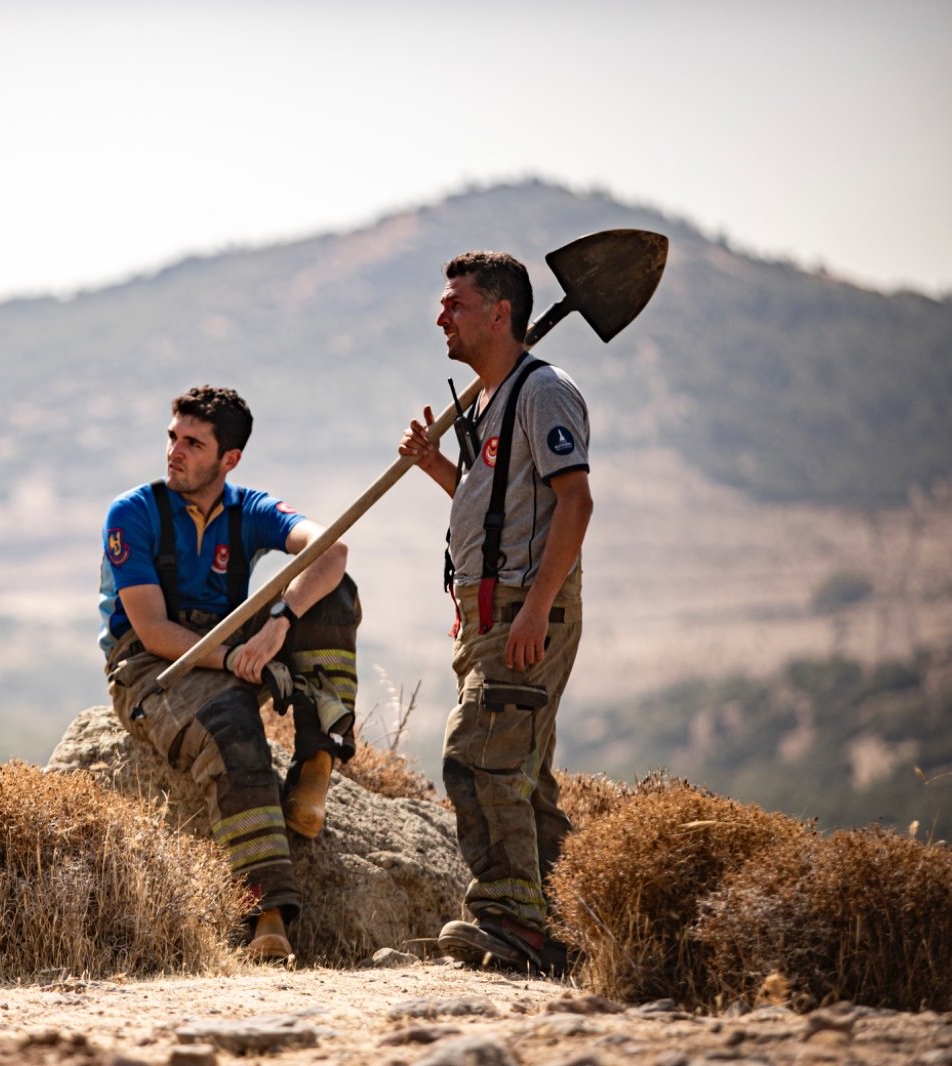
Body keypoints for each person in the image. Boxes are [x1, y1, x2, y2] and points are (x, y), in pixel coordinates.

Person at [100, 384, 361, 960]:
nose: (175, 451)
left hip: (232, 641)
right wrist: (236, 662)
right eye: (173, 437)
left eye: (193, 443)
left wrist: (279, 626)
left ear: (230, 459)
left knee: (333, 593)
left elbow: (332, 550)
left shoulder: (250, 509)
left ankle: (316, 765)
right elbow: (152, 631)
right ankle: (268, 916)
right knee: (232, 726)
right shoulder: (133, 513)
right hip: (151, 667)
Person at [398, 251, 593, 975]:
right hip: (488, 618)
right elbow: (498, 504)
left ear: (500, 312)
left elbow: (576, 502)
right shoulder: (489, 401)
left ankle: (509, 919)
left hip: (522, 612)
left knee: (477, 757)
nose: (441, 317)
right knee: (522, 775)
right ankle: (567, 928)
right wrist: (436, 467)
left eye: (456, 303)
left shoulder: (543, 392)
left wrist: (535, 609)